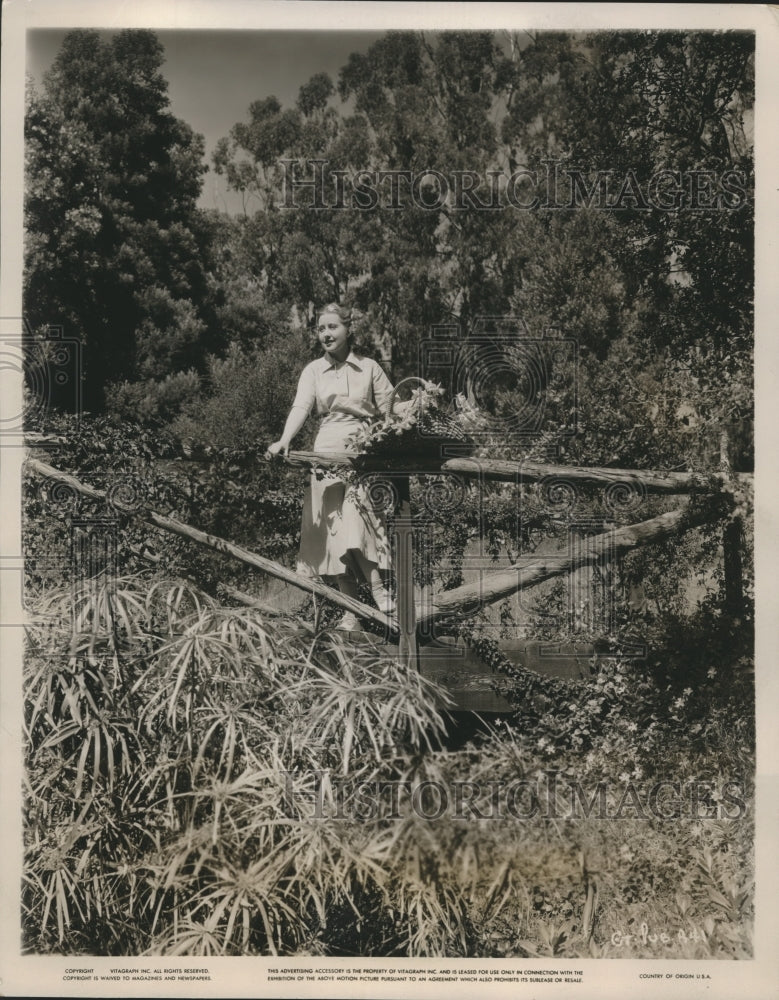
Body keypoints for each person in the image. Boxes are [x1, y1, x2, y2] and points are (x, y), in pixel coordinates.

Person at [265, 303, 395, 630]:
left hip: (361, 453)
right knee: (332, 533)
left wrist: (415, 412)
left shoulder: (369, 368)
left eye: (332, 327)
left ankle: (379, 591)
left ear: (348, 329)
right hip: (325, 451)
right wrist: (283, 440)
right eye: (321, 328)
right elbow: (301, 406)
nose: (326, 334)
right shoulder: (312, 370)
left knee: (356, 519)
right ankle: (351, 611)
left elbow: (391, 409)